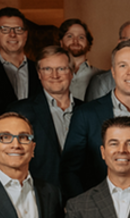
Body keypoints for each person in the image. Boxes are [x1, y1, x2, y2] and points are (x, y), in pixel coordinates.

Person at [63, 40, 130, 198]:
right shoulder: (86, 114)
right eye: (123, 66)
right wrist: (86, 210)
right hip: (101, 210)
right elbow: (70, 171)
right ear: (113, 72)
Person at [7, 45, 79, 190]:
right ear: (39, 74)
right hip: (38, 196)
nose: (54, 75)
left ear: (72, 72)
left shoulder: (88, 110)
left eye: (61, 69)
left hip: (82, 196)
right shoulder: (20, 111)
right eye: (47, 69)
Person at [60, 18, 98, 101]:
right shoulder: (51, 75)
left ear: (88, 43)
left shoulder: (101, 76)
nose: (75, 41)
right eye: (70, 36)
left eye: (81, 37)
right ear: (61, 42)